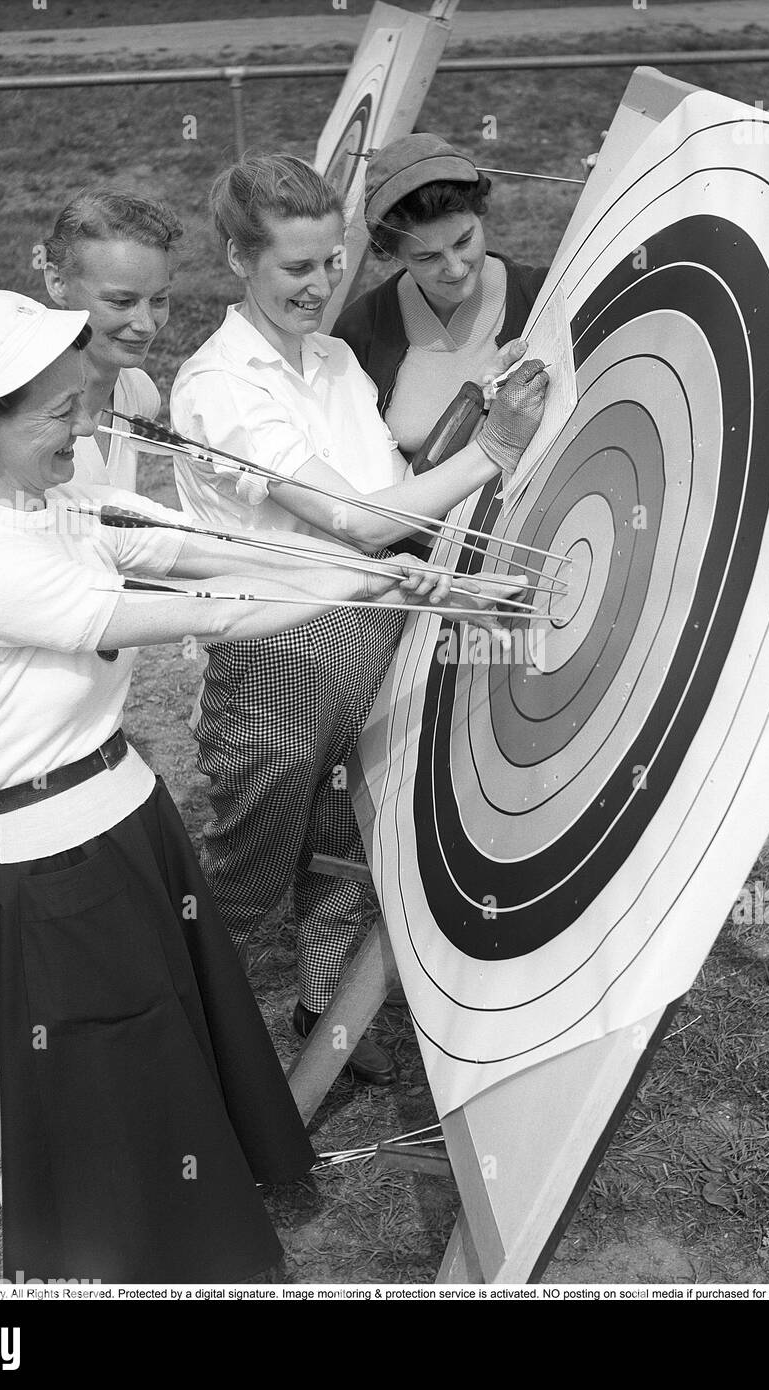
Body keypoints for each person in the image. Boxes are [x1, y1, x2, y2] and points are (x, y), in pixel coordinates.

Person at [0, 287, 482, 1281]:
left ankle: (190, 1229)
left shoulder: (54, 497)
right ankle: (135, 1260)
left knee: (165, 1049)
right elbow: (199, 611)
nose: (80, 423)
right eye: (54, 410)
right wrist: (364, 576)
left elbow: (195, 546)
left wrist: (363, 563)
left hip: (124, 824)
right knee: (110, 1081)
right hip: (54, 874)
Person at [170, 152, 547, 1087]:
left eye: (332, 261)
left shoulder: (335, 358)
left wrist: (423, 576)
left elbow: (385, 508)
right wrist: (493, 449)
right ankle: (170, 1028)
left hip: (368, 619)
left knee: (348, 835)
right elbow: (361, 519)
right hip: (277, 650)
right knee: (251, 862)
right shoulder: (219, 385)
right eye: (296, 267)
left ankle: (321, 1015)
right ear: (237, 261)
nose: (321, 284)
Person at [0, 191, 183, 1156]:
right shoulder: (5, 414)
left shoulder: (128, 397)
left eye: (160, 301)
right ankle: (22, 1139)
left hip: (62, 686)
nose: (142, 324)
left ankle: (86, 1096)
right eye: (117, 302)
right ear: (53, 286)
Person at [333, 132, 548, 460]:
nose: (456, 268)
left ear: (480, 210)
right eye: (428, 257)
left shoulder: (543, 294)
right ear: (393, 253)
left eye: (464, 241)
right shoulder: (360, 331)